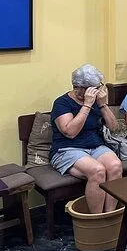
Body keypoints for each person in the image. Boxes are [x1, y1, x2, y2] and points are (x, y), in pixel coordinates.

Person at [50, 64, 122, 213]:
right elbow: (70, 132)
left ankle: (110, 216)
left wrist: (103, 105)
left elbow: (114, 128)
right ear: (77, 87)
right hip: (67, 149)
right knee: (97, 170)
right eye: (91, 88)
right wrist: (87, 105)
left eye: (97, 87)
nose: (96, 91)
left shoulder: (97, 101)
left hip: (95, 146)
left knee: (115, 166)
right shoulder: (61, 103)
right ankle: (96, 220)